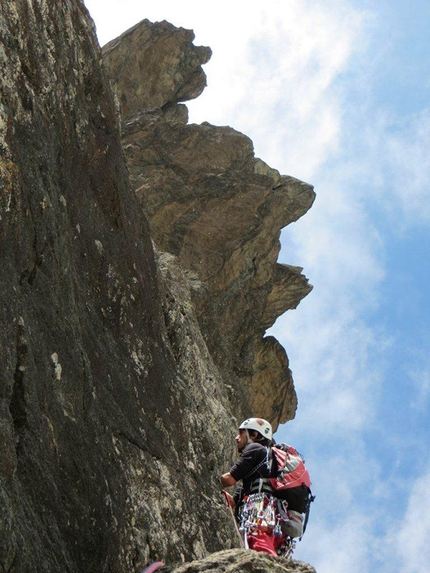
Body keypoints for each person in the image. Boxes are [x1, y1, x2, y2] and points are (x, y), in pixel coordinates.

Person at [221, 417, 286, 556]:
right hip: (277, 516)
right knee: (264, 545)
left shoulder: (255, 448)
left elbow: (229, 480)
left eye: (241, 433)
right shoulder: (266, 462)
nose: (236, 438)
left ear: (254, 435)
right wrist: (231, 500)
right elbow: (240, 493)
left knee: (259, 543)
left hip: (261, 509)